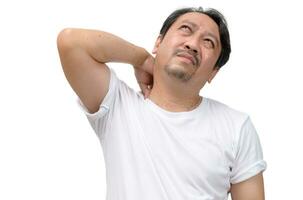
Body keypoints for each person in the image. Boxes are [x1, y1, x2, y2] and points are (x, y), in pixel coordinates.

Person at [57, 6, 266, 200]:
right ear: (158, 43)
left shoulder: (237, 126)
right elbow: (71, 42)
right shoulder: (118, 106)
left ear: (214, 72)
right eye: (186, 29)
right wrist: (140, 58)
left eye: (208, 42)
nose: (192, 44)